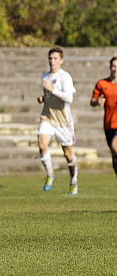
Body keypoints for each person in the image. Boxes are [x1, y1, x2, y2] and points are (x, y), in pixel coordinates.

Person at [36, 47, 78, 195]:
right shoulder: (45, 76)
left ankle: (74, 181)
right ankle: (50, 174)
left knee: (68, 154)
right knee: (42, 145)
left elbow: (69, 98)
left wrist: (52, 90)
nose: (52, 61)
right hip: (47, 116)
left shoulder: (64, 76)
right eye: (50, 58)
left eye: (55, 59)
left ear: (61, 60)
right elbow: (49, 95)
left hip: (62, 120)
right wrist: (43, 98)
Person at [90, 56, 117, 178]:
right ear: (110, 67)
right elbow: (93, 100)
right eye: (114, 66)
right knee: (114, 156)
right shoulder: (102, 83)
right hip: (108, 124)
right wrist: (97, 102)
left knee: (115, 146)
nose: (116, 69)